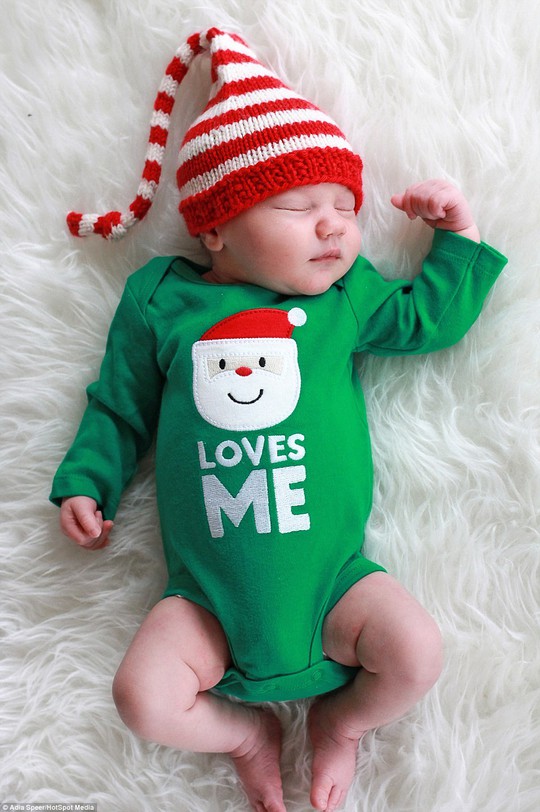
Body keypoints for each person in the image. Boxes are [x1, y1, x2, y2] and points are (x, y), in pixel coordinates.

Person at [50, 28, 507, 812]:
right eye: (299, 207)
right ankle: (244, 735)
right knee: (142, 698)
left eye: (343, 207)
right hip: (207, 608)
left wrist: (454, 236)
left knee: (418, 652)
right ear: (216, 228)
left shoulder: (345, 299)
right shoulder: (165, 302)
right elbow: (120, 402)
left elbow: (429, 320)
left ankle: (343, 723)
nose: (333, 225)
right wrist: (88, 477)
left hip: (337, 594)